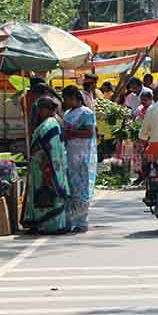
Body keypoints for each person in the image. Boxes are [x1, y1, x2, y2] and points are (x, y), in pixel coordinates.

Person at [23, 97, 70, 234]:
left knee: (47, 194)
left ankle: (50, 225)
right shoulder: (53, 122)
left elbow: (51, 147)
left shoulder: (50, 124)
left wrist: (46, 164)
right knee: (42, 194)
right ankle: (44, 224)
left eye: (40, 109)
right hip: (44, 165)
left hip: (45, 165)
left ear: (45, 109)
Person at [61, 86, 97, 233]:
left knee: (81, 188)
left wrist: (72, 132)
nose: (65, 102)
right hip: (70, 154)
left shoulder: (87, 113)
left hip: (82, 155)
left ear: (74, 97)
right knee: (71, 188)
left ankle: (82, 221)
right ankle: (71, 220)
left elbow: (89, 133)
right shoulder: (68, 113)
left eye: (67, 98)